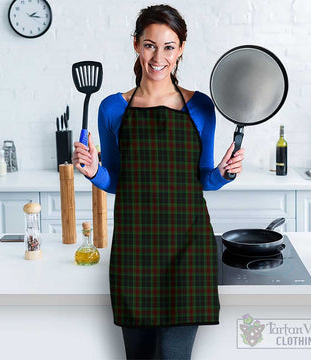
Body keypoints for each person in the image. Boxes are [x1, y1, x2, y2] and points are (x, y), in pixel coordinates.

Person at [73, 4, 245, 359]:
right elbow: (118, 180)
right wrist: (93, 171)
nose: (158, 56)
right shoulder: (112, 108)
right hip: (135, 250)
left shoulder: (199, 106)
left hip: (188, 248)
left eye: (169, 46)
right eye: (150, 45)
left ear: (181, 49)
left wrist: (224, 173)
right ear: (136, 45)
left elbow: (203, 179)